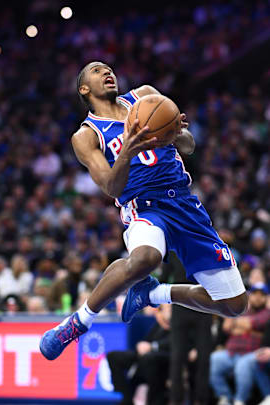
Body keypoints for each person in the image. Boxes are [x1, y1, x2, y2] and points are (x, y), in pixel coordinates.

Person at [40, 61, 248, 361]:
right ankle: (78, 321)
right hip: (144, 206)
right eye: (97, 71)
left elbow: (188, 146)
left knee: (234, 304)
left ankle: (151, 294)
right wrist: (128, 149)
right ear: (84, 88)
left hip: (184, 203)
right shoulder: (86, 136)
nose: (107, 72)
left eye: (109, 68)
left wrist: (174, 130)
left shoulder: (145, 97)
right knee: (145, 258)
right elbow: (112, 187)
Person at [210, 285, 270, 405]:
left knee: (243, 365)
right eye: (255, 294)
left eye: (262, 295)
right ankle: (225, 397)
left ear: (266, 298)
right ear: (250, 296)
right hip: (231, 352)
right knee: (214, 359)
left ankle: (240, 400)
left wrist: (239, 325)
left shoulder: (269, 312)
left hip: (252, 353)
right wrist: (245, 327)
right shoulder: (242, 310)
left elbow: (252, 323)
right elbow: (227, 327)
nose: (258, 298)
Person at [107, 304, 171, 405]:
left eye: (167, 308)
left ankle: (154, 400)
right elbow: (147, 340)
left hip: (163, 358)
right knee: (113, 356)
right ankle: (125, 397)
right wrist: (141, 346)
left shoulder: (178, 324)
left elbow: (172, 344)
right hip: (145, 356)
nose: (164, 311)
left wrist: (152, 346)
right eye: (162, 309)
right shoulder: (159, 323)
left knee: (148, 358)